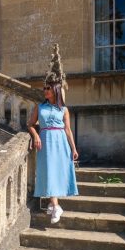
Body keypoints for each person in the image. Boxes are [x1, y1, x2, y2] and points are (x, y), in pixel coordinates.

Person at [28, 76, 79, 223]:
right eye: (44, 88)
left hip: (61, 141)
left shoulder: (64, 110)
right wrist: (36, 135)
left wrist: (74, 149)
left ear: (55, 90)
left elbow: (68, 130)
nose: (45, 90)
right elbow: (30, 124)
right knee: (48, 171)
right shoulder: (39, 107)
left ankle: (53, 204)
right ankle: (55, 205)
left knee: (57, 172)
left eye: (48, 88)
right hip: (45, 141)